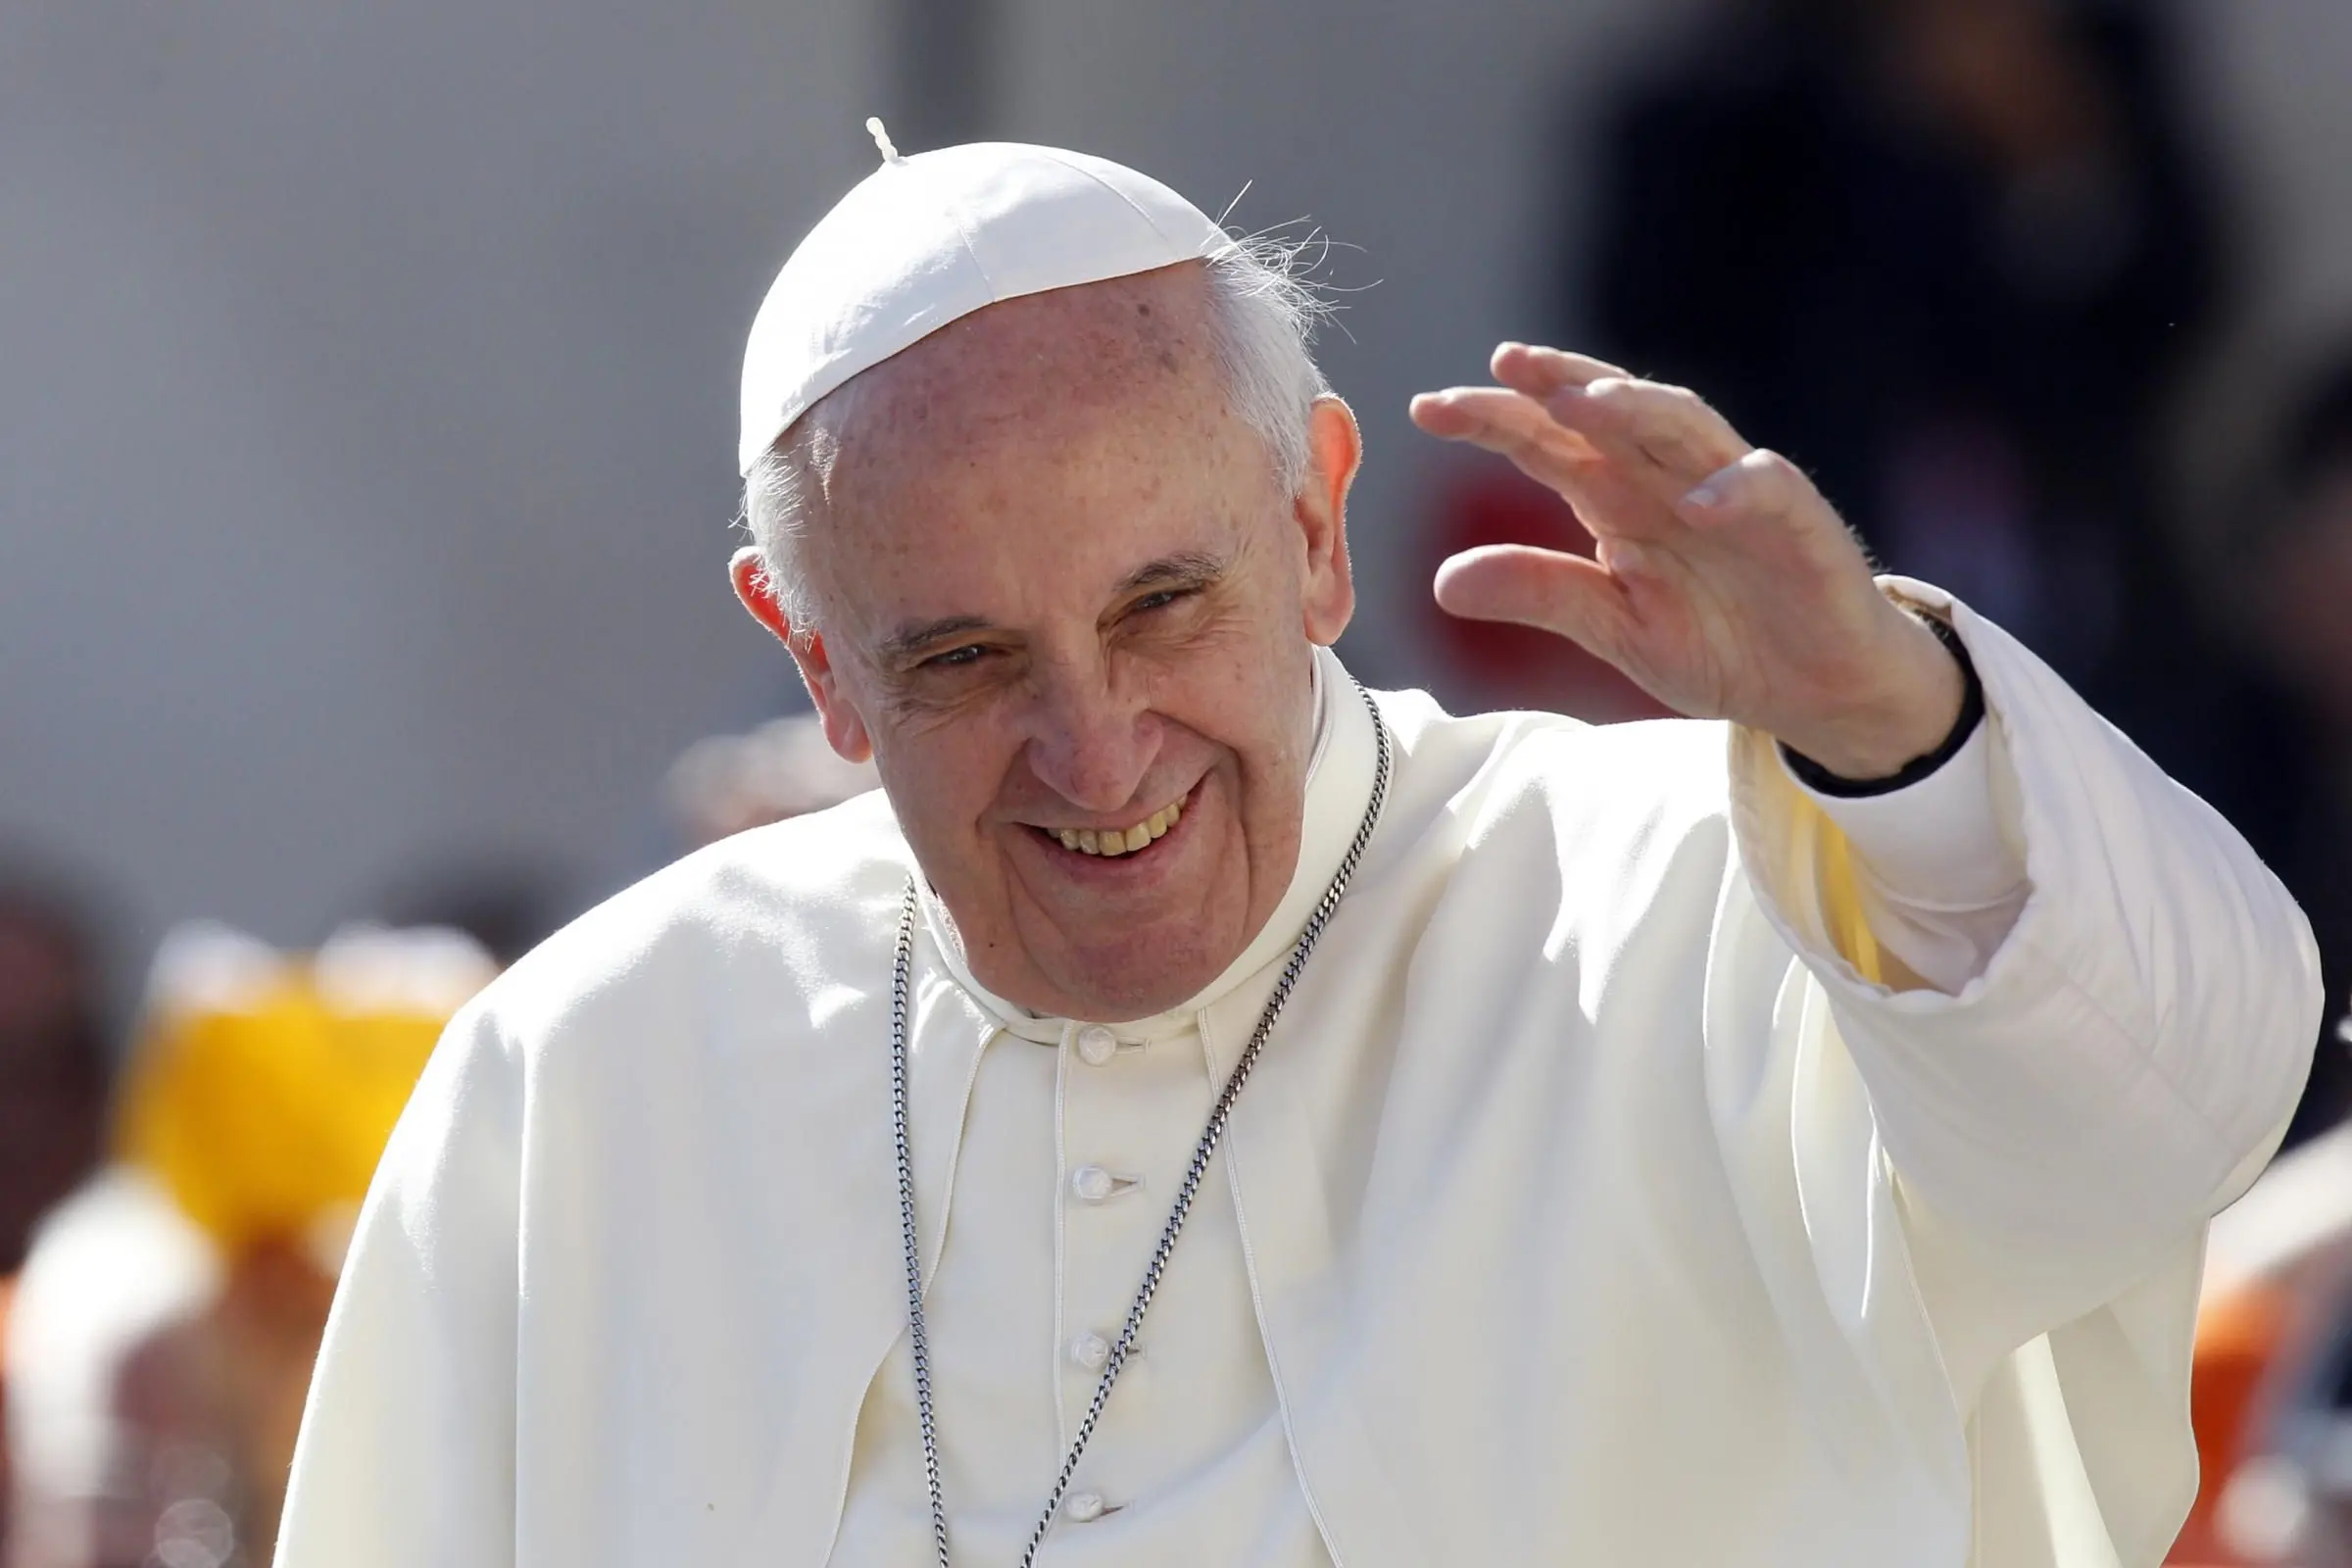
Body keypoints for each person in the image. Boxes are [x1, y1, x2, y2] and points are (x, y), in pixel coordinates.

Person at [273, 132, 2319, 1567]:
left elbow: (2175, 1104)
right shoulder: (589, 1076)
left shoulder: (1708, 897)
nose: (1095, 749)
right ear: (811, 655)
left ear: (1320, 523)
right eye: (970, 656)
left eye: (1166, 605)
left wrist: (1887, 718)